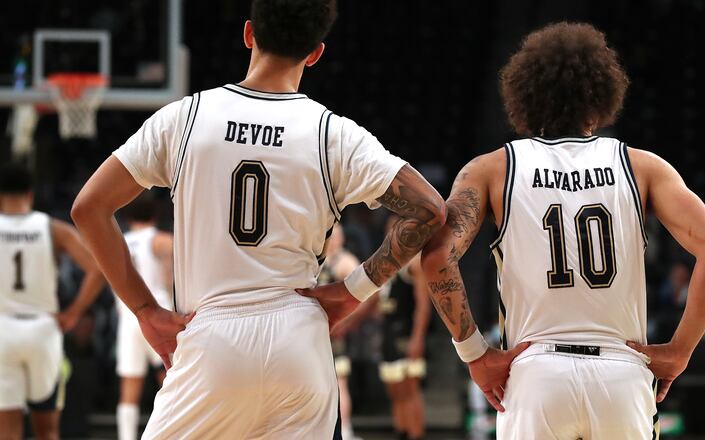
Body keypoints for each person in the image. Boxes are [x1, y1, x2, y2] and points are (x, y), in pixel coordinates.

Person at [70, 0, 445, 437]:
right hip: (298, 336)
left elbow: (88, 207)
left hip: (212, 337)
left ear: (249, 34)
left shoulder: (186, 117)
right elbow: (431, 209)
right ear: (316, 52)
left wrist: (145, 310)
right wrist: (351, 291)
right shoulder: (334, 133)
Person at [420, 22, 705, 438]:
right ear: (602, 93)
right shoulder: (642, 166)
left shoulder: (491, 169)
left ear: (524, 95)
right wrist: (680, 350)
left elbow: (437, 255)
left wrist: (474, 352)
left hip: (535, 373)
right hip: (621, 373)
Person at [0, 163, 105, 440]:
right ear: (30, 194)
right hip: (42, 330)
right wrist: (73, 313)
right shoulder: (52, 228)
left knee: (6, 429)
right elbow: (98, 269)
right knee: (47, 430)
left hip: (2, 331)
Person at [115, 194, 173, 440]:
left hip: (129, 316)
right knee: (173, 378)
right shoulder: (161, 240)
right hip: (160, 312)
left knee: (130, 383)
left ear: (127, 218)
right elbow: (171, 280)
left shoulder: (117, 243)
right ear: (156, 216)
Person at [377, 217, 431, 440]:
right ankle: (401, 432)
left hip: (406, 333)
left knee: (410, 391)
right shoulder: (386, 263)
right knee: (395, 392)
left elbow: (423, 306)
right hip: (388, 332)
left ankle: (416, 434)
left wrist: (418, 338)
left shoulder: (414, 263)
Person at [317, 223, 366, 440]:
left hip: (334, 333)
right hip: (315, 333)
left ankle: (345, 430)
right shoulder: (317, 259)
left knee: (339, 382)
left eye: (335, 235)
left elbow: (370, 294)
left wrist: (347, 321)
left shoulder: (345, 261)